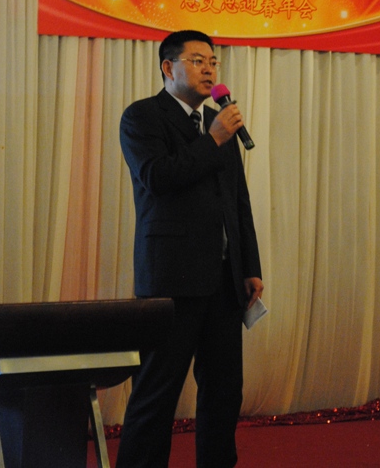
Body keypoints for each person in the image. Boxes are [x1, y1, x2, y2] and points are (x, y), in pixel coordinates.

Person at [116, 29, 263, 468]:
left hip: (223, 280)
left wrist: (249, 265)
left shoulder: (219, 121)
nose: (209, 70)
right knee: (156, 393)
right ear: (168, 67)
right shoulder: (143, 116)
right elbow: (158, 178)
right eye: (197, 61)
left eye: (213, 62)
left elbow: (237, 200)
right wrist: (212, 139)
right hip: (172, 279)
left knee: (223, 391)